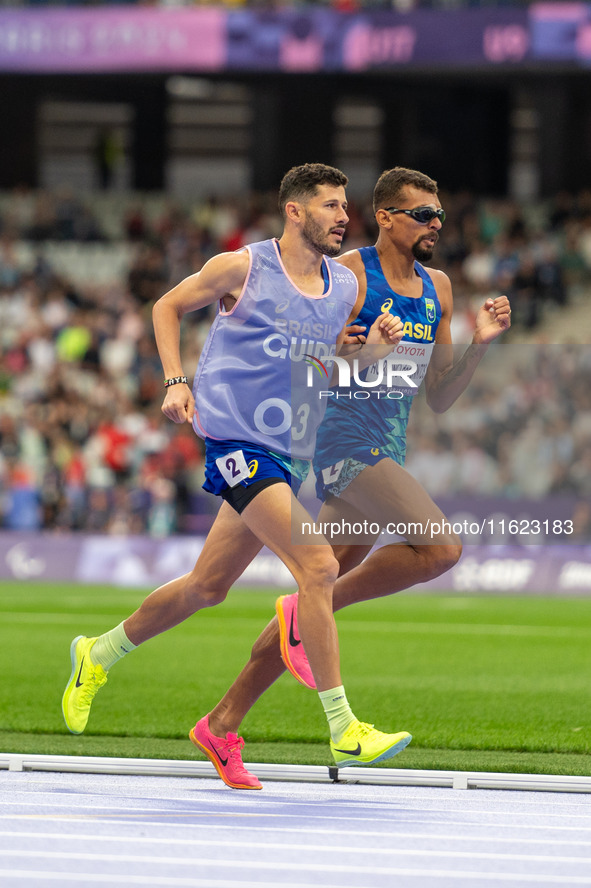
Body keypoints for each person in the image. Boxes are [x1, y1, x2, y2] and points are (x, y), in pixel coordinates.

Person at [62, 162, 410, 790]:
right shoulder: (242, 267)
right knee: (321, 567)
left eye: (344, 205)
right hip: (237, 442)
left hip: (290, 452)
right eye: (330, 206)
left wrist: (374, 347)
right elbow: (166, 306)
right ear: (295, 211)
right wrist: (175, 381)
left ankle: (99, 652)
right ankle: (345, 729)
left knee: (206, 587)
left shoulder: (341, 288)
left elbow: (329, 359)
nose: (343, 217)